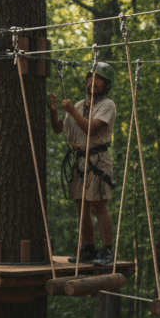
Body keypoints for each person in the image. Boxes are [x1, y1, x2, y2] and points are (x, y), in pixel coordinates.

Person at [49, 62, 118, 266]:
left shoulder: (107, 105)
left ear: (106, 85)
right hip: (78, 160)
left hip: (97, 161)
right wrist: (54, 110)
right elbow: (58, 129)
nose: (93, 82)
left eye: (99, 80)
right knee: (81, 208)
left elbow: (90, 129)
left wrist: (71, 110)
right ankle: (88, 248)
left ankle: (107, 250)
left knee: (99, 205)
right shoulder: (79, 105)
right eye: (91, 78)